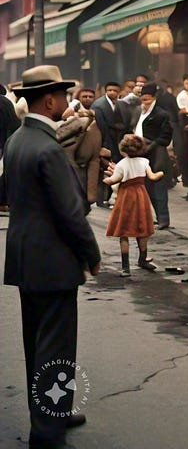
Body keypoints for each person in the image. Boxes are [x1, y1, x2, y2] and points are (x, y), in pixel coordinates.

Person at [2, 65, 101, 449]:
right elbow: (70, 212)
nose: (66, 101)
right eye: (62, 95)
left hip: (26, 259)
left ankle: (51, 411)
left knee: (36, 343)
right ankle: (47, 431)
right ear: (49, 100)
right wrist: (90, 255)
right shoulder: (47, 147)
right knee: (56, 346)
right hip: (54, 261)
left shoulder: (16, 140)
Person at [104, 133, 164, 277]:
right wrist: (160, 174)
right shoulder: (144, 161)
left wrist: (107, 178)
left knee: (124, 231)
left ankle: (126, 268)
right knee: (142, 228)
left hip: (126, 197)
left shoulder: (122, 164)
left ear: (123, 149)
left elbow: (114, 180)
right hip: (141, 195)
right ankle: (142, 260)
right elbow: (152, 176)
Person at [130, 82, 173, 229]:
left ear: (154, 98)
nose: (145, 103)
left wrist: (149, 144)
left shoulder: (161, 114)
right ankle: (157, 216)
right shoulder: (137, 112)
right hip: (140, 154)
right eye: (143, 99)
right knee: (147, 187)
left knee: (159, 187)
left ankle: (163, 219)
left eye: (148, 99)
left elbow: (165, 137)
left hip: (156, 154)